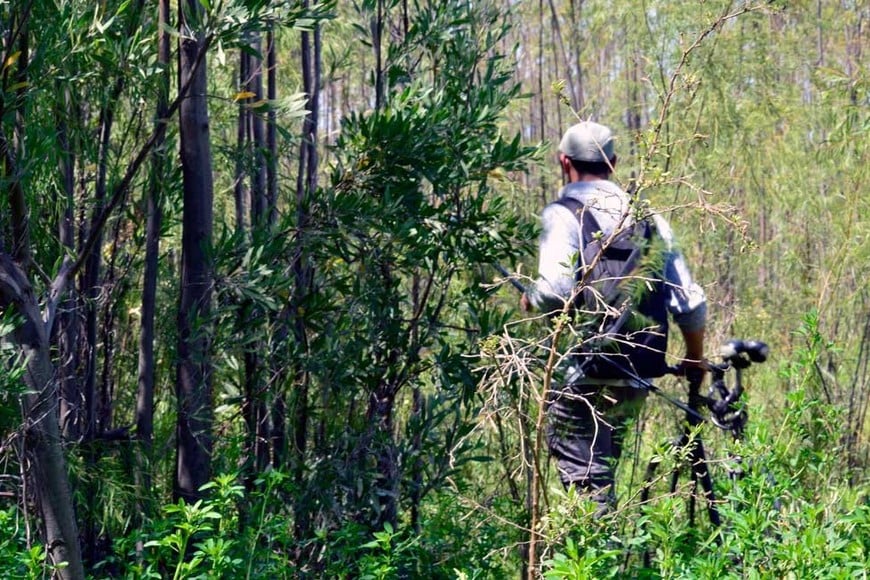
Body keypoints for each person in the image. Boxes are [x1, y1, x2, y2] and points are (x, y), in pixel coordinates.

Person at [520, 120, 707, 512]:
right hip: (633, 377)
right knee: (601, 475)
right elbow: (689, 303)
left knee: (587, 490)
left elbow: (554, 292)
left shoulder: (562, 213)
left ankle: (592, 565)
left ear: (563, 162)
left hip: (579, 376)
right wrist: (694, 358)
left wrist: (532, 300)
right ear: (614, 162)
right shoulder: (648, 219)